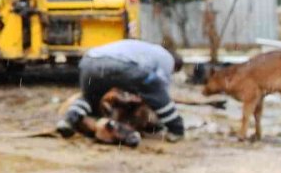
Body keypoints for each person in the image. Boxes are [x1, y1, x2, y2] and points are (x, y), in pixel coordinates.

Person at [57, 39, 185, 142]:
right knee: (155, 90)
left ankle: (69, 120)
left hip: (89, 62)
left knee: (91, 97)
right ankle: (176, 129)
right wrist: (161, 112)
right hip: (117, 65)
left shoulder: (146, 50)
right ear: (175, 65)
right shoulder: (167, 57)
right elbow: (159, 87)